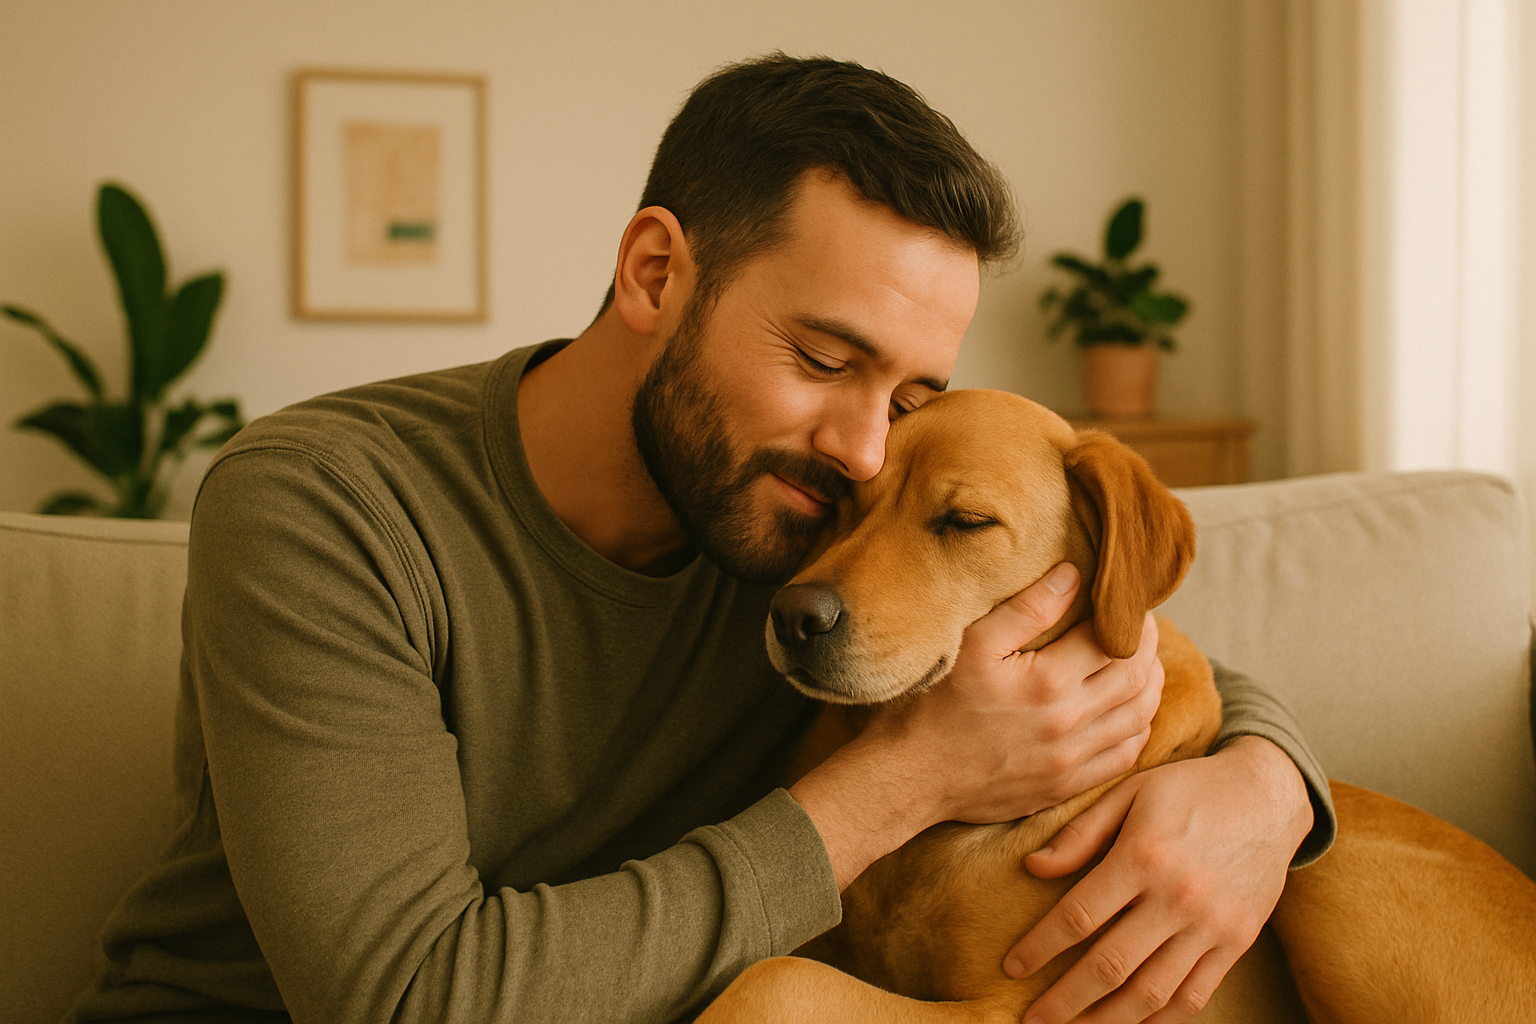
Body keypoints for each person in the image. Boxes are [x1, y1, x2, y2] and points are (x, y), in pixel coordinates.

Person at [69, 54, 1331, 1024]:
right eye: (823, 358)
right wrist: (908, 779)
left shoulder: (826, 535)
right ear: (656, 272)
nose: (861, 446)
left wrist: (1269, 787)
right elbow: (407, 994)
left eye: (904, 397)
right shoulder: (326, 503)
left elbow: (1089, 610)